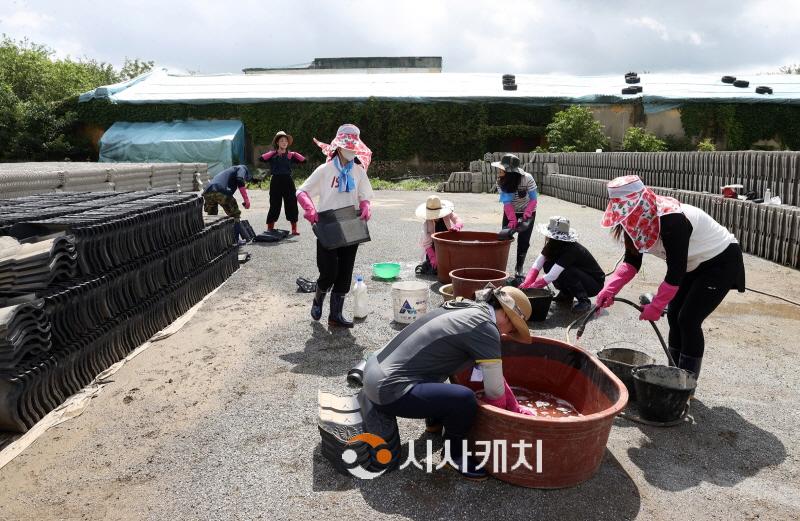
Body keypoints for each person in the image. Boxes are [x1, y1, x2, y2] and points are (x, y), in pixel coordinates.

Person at [362, 286, 534, 481]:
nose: (509, 332)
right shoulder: (486, 328)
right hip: (388, 388)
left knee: (442, 375)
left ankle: (434, 423)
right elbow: (495, 391)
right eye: (513, 327)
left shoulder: (464, 307)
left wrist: (515, 405)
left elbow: (486, 375)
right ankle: (455, 454)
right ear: (505, 314)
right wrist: (502, 422)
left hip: (373, 369)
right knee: (463, 400)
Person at [596, 175, 745, 380]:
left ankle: (686, 384)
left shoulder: (671, 218)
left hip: (720, 261)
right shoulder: (631, 222)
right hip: (690, 265)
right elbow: (632, 261)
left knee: (689, 320)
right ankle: (673, 376)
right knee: (674, 317)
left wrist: (656, 305)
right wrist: (610, 288)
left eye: (631, 210)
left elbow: (675, 271)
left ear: (643, 201)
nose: (629, 216)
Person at [296, 124, 374, 328]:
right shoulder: (325, 170)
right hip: (328, 225)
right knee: (329, 271)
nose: (350, 151)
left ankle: (335, 315)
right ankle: (318, 299)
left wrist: (366, 205)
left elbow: (365, 194)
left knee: (346, 272)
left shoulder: (358, 170)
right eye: (347, 147)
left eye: (353, 148)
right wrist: (309, 209)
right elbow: (302, 191)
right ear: (338, 147)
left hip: (351, 223)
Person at [519, 216, 605, 313]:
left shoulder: (572, 249)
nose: (547, 238)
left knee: (567, 272)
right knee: (548, 265)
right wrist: (527, 283)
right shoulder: (552, 244)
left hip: (594, 283)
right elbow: (537, 264)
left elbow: (552, 275)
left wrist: (530, 290)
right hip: (581, 276)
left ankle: (584, 300)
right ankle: (566, 294)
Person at [493, 154, 538, 277]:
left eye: (501, 169)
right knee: (504, 236)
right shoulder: (500, 181)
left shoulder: (527, 178)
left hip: (528, 210)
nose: (499, 171)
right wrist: (512, 219)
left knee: (524, 240)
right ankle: (499, 268)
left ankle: (519, 268)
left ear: (509, 171)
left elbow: (534, 199)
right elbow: (507, 203)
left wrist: (527, 214)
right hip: (510, 211)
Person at [260, 131, 306, 235]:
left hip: (288, 181)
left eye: (285, 141)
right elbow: (261, 158)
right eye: (281, 141)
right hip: (275, 181)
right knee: (274, 205)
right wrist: (273, 153)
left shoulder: (290, 155)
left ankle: (294, 229)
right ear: (277, 143)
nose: (284, 142)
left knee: (292, 204)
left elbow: (304, 160)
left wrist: (294, 154)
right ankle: (270, 228)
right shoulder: (272, 155)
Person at [414, 195, 463, 275]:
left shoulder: (447, 214)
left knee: (452, 266)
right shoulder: (427, 223)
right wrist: (433, 258)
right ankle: (424, 265)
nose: (435, 217)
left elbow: (457, 219)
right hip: (434, 246)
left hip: (447, 243)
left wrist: (457, 226)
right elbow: (427, 244)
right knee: (435, 270)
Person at [202, 164, 251, 244]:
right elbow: (239, 179)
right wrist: (246, 199)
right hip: (221, 191)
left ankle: (212, 242)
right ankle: (235, 240)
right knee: (235, 214)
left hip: (208, 192)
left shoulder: (228, 171)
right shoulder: (241, 168)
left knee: (212, 217)